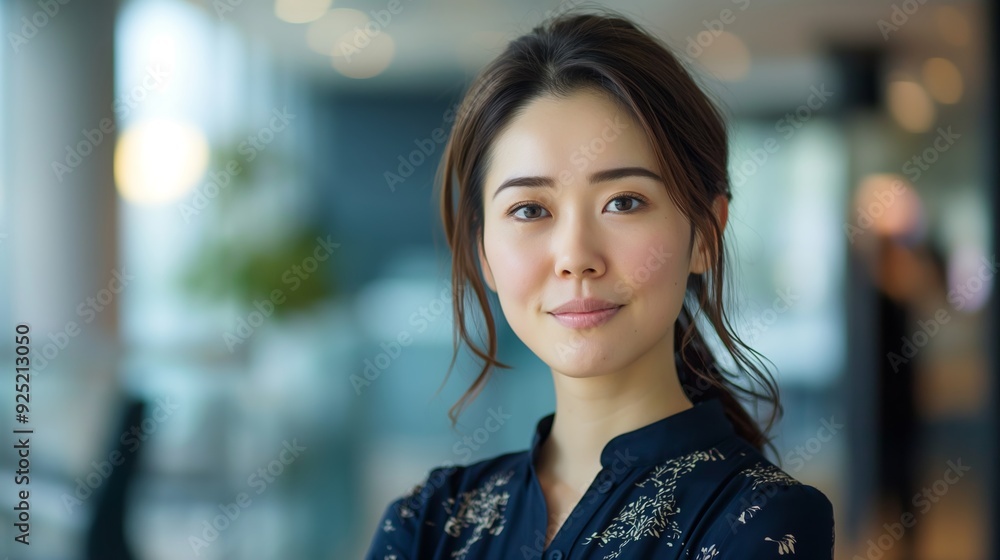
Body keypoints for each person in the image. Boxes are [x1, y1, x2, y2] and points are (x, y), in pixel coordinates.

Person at [365, 10, 835, 559]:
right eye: (529, 209)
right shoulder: (427, 522)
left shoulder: (757, 520)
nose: (575, 258)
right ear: (484, 253)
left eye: (624, 202)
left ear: (705, 235)